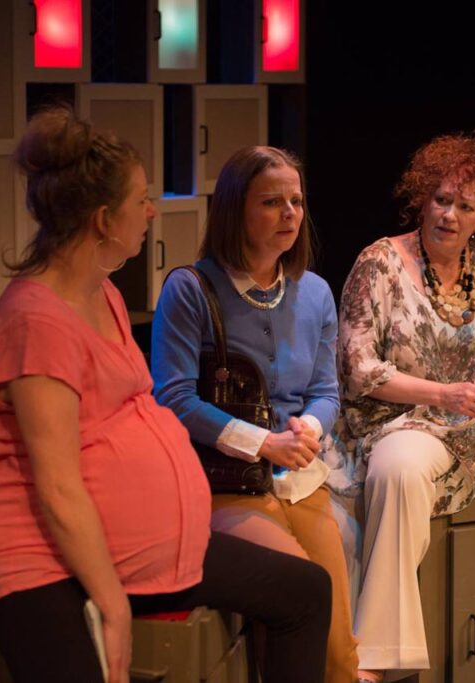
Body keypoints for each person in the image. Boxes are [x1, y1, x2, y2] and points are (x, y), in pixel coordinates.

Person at [0, 109, 331, 683]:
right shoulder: (36, 320)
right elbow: (57, 488)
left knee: (305, 590)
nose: (152, 212)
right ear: (105, 219)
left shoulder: (101, 292)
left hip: (141, 547)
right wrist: (110, 605)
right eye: (142, 200)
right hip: (34, 565)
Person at [334, 132, 475, 682]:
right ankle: (379, 661)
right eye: (441, 199)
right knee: (399, 465)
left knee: (407, 467)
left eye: (465, 206)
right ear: (421, 197)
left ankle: (371, 655)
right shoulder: (380, 262)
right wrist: (443, 394)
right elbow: (359, 370)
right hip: (389, 422)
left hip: (465, 436)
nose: (449, 214)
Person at [151, 146, 359, 683]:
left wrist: (308, 430)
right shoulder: (190, 288)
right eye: (271, 202)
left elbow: (325, 391)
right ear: (234, 211)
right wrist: (263, 444)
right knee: (298, 591)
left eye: (296, 200)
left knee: (337, 645)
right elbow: (172, 399)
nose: (290, 213)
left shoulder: (314, 292)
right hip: (225, 484)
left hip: (301, 481)